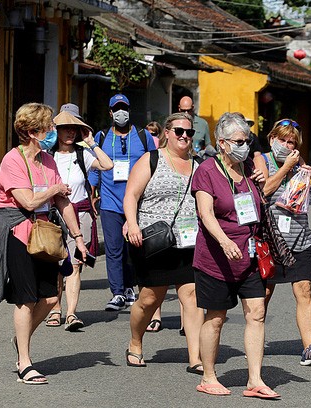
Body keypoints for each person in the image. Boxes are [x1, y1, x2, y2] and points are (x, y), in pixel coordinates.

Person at [0, 103, 88, 384]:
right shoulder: (12, 160)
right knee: (26, 298)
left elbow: (63, 201)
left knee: (51, 298)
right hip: (17, 231)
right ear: (32, 132)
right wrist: (56, 189)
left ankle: (21, 339)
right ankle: (25, 364)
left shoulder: (48, 160)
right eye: (48, 128)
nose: (52, 132)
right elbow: (28, 201)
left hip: (44, 234)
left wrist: (77, 237)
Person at [190, 112, 279, 398]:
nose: (245, 146)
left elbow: (260, 203)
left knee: (257, 312)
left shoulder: (250, 166)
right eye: (239, 141)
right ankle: (208, 375)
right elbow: (205, 214)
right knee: (215, 317)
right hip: (217, 257)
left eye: (247, 140)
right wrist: (225, 240)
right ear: (223, 143)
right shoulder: (207, 170)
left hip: (249, 253)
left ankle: (255, 379)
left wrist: (263, 182)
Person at [123, 112, 204, 372]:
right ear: (167, 133)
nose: (184, 136)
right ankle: (135, 342)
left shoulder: (199, 165)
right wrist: (132, 223)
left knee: (191, 296)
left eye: (189, 133)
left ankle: (196, 358)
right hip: (154, 241)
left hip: (189, 242)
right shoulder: (152, 159)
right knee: (149, 299)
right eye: (179, 131)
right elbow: (131, 196)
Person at [261, 118, 311, 366]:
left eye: (292, 142)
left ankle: (309, 348)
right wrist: (285, 167)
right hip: (271, 240)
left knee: (304, 291)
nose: (288, 146)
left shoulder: (300, 165)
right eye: (283, 140)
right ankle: (256, 340)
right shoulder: (263, 161)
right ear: (272, 139)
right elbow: (264, 191)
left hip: (300, 236)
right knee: (264, 294)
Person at [46, 108, 113, 331]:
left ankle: (71, 313)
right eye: (65, 128)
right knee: (55, 266)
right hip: (53, 217)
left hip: (80, 215)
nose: (70, 133)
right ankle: (55, 309)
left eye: (74, 128)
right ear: (56, 130)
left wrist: (91, 143)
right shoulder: (47, 155)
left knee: (74, 266)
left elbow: (107, 165)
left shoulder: (82, 154)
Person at [91, 94, 157, 311]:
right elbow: (95, 166)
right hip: (110, 202)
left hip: (138, 203)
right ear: (110, 113)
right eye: (116, 109)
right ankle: (117, 292)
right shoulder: (101, 137)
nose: (121, 113)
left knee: (134, 249)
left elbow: (153, 164)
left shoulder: (143, 136)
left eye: (124, 108)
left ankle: (130, 287)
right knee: (113, 249)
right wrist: (92, 191)